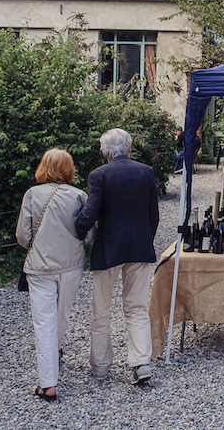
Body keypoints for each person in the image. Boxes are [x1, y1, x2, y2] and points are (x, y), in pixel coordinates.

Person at [75, 128, 160, 386]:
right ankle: (141, 362)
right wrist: (146, 238)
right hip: (139, 246)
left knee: (101, 309)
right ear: (129, 148)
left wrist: (79, 230)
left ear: (104, 151)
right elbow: (153, 215)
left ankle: (100, 366)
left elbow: (89, 214)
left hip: (109, 248)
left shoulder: (99, 175)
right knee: (136, 307)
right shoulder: (146, 172)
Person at [16, 148, 93, 403]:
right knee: (62, 313)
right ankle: (56, 351)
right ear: (69, 169)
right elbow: (88, 234)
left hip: (40, 265)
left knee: (43, 320)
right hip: (71, 264)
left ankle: (48, 382)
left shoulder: (31, 195)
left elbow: (23, 236)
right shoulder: (78, 195)